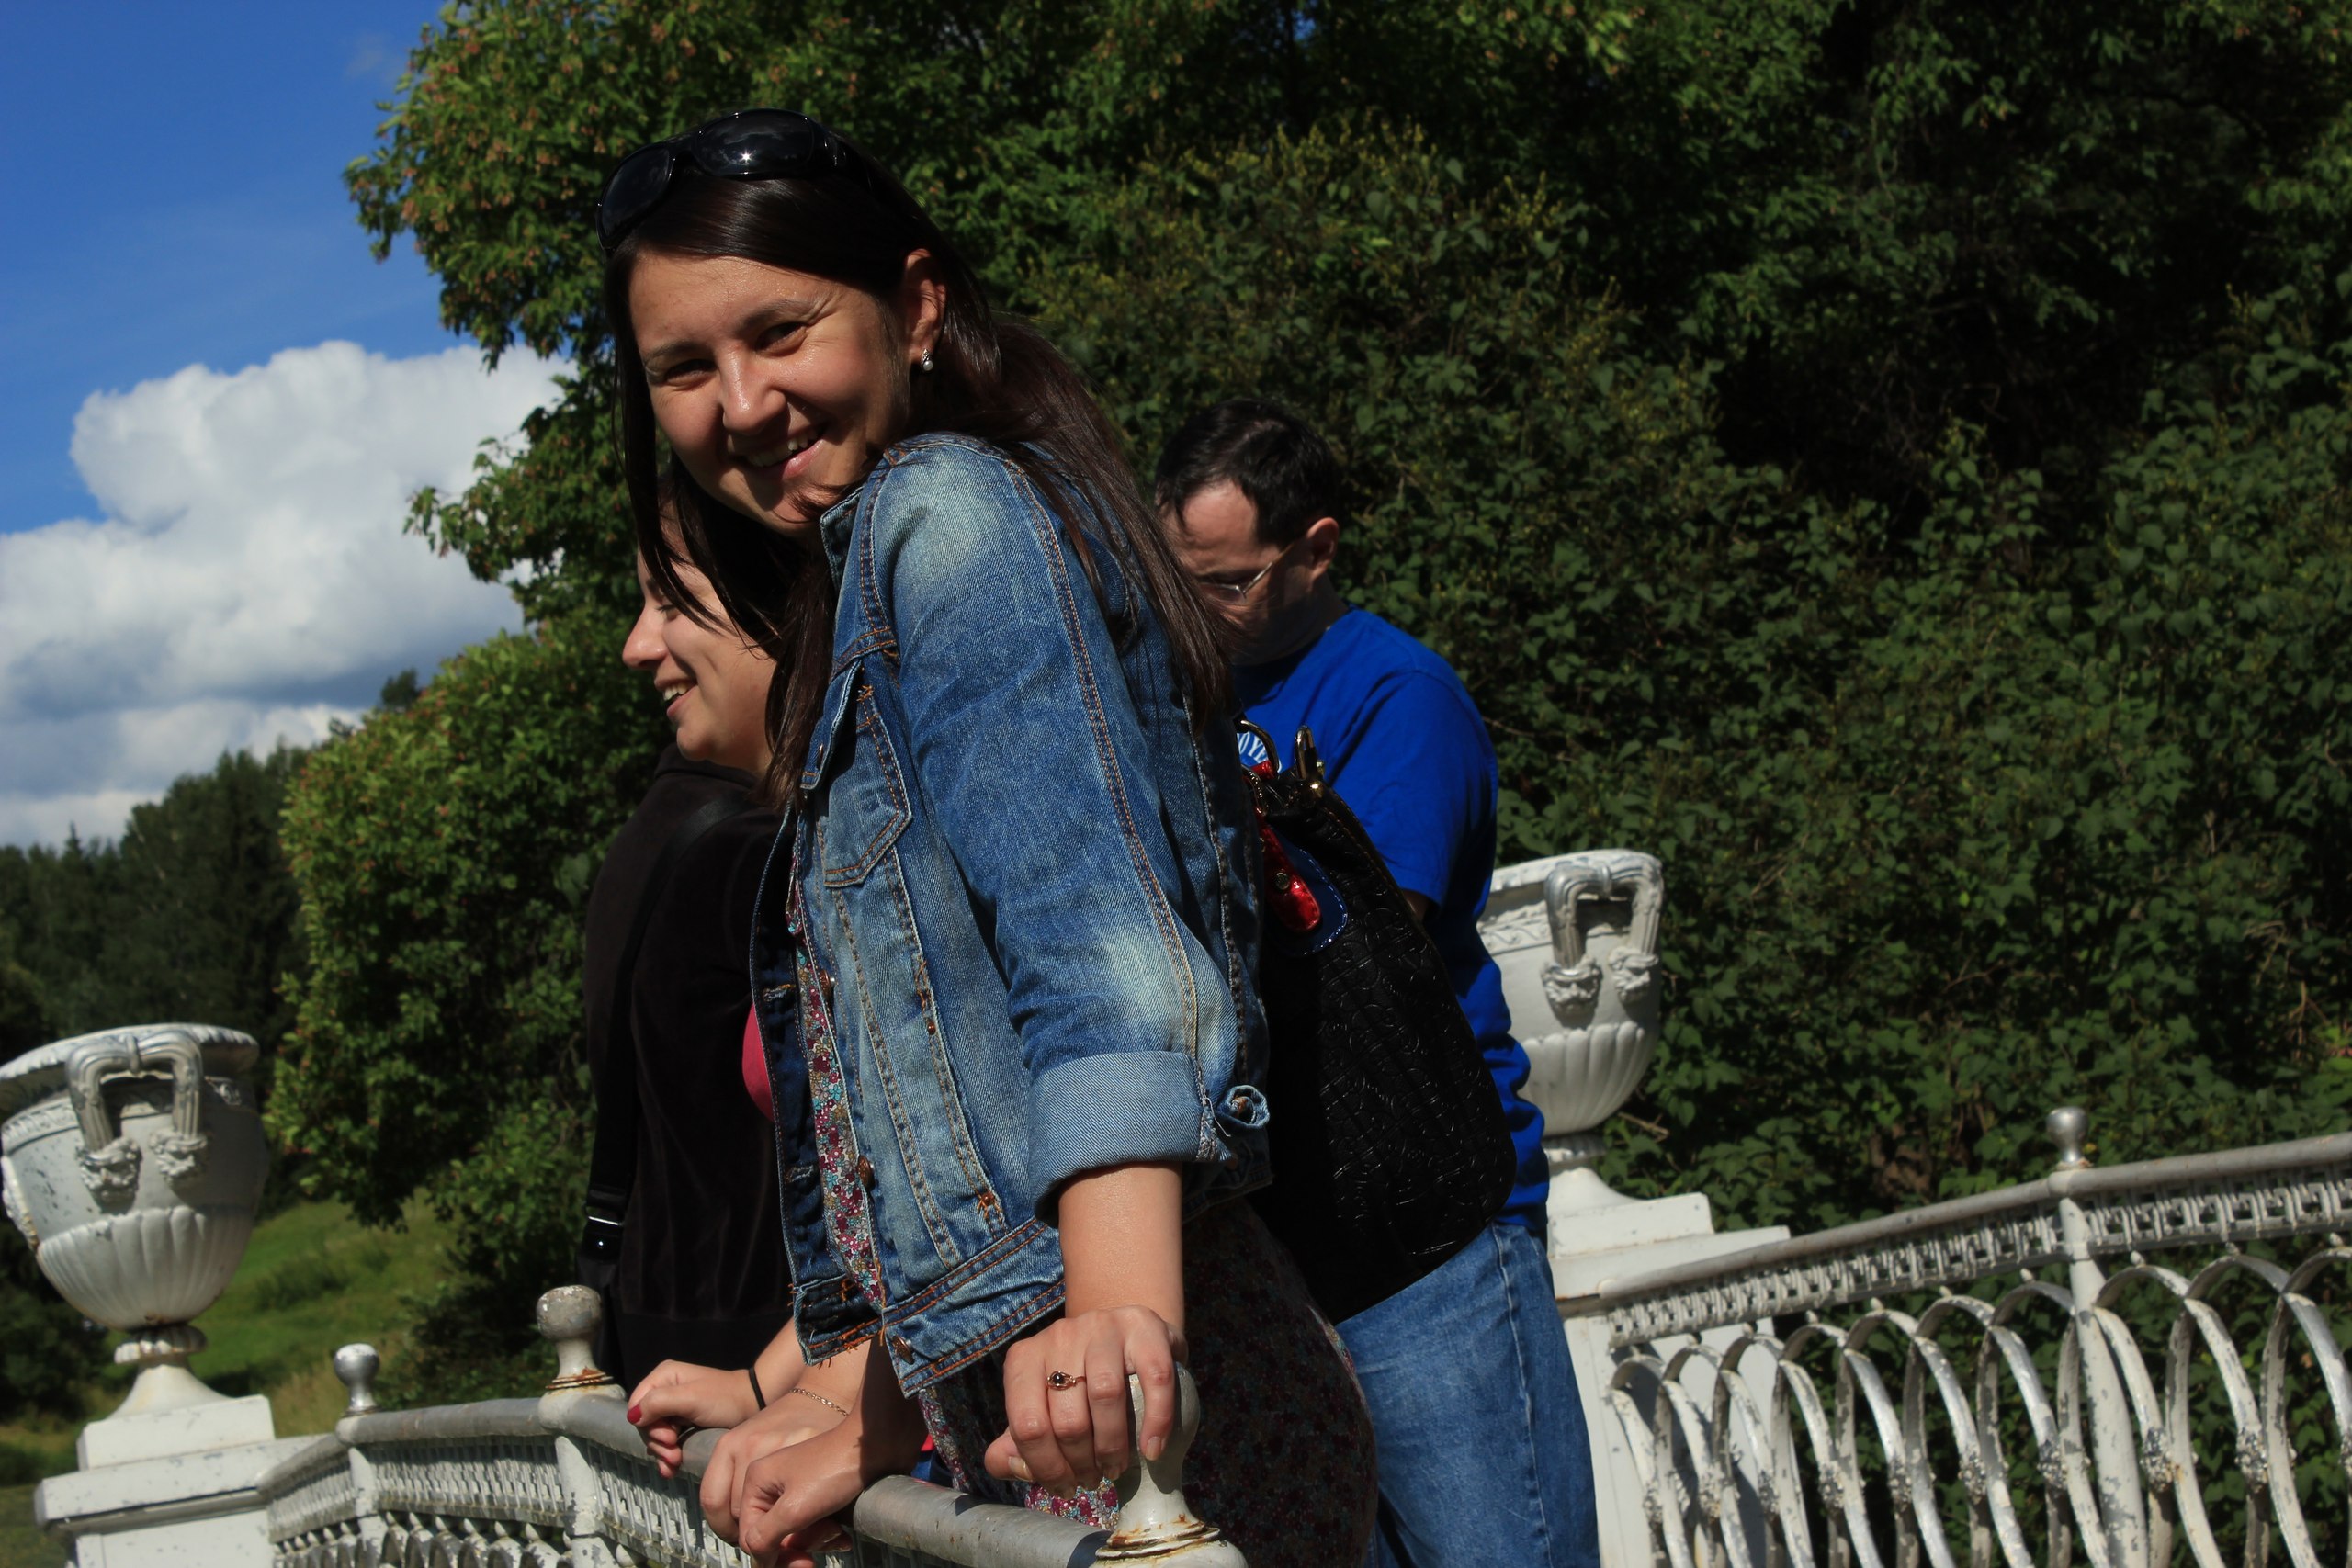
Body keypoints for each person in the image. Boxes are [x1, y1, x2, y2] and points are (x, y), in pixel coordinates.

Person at [596, 108, 1377, 1567]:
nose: (741, 402)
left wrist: (1118, 1330)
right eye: (683, 367)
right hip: (1044, 1401)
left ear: (916, 306)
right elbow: (947, 1141)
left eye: (779, 331)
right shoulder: (871, 567)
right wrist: (850, 1404)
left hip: (1139, 1420)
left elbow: (1098, 948)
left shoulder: (946, 514)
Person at [1157, 398, 1601, 1568]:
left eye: (1227, 583)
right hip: (1279, 1245)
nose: (1193, 611)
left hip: (1425, 1232)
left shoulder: (1399, 695)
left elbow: (1354, 944)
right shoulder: (1179, 697)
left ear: (1316, 550)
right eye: (1174, 581)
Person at [583, 536, 792, 1387]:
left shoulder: (672, 825)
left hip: (676, 1320)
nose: (636, 645)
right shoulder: (746, 847)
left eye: (670, 598)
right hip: (752, 1335)